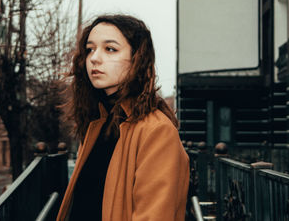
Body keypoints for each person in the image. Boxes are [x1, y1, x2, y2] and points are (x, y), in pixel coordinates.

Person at [56, 14, 189, 221]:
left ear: (137, 59)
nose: (94, 58)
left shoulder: (157, 131)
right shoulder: (97, 123)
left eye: (110, 49)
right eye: (90, 49)